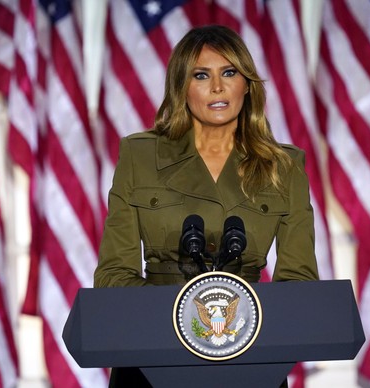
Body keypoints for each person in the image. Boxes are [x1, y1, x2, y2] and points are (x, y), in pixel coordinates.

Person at [94, 24, 319, 386]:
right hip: (152, 359)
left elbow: (299, 283)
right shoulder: (140, 155)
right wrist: (179, 320)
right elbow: (112, 277)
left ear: (247, 84)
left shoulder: (285, 166)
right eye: (201, 75)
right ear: (181, 87)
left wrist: (239, 322)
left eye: (229, 72)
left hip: (250, 356)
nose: (217, 87)